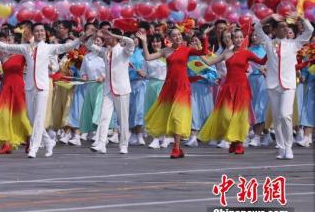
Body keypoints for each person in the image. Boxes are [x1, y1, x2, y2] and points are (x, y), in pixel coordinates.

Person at [0, 23, 84, 158]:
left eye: (42, 31)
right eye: (37, 31)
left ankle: (34, 148)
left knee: (39, 118)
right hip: (29, 87)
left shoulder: (49, 48)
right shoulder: (25, 48)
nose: (40, 33)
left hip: (42, 87)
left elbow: (67, 46)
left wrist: (82, 38)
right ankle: (48, 141)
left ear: (45, 33)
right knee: (32, 118)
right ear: (34, 33)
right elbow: (4, 46)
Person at [138, 26, 212, 158]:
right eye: (174, 35)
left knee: (178, 116)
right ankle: (172, 144)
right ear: (170, 38)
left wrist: (204, 36)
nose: (178, 37)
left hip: (183, 87)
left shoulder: (186, 49)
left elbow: (204, 52)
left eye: (179, 35)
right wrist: (144, 41)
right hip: (169, 86)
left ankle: (176, 148)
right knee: (167, 115)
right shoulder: (165, 51)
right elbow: (148, 57)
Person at [198, 29, 267, 154]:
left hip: (242, 88)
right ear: (232, 39)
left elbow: (262, 62)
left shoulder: (247, 53)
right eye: (236, 37)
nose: (239, 39)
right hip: (228, 88)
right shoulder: (226, 54)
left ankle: (238, 142)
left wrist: (272, 50)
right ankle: (233, 141)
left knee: (240, 117)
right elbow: (208, 62)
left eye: (241, 37)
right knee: (225, 116)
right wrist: (202, 45)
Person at [255, 14, 313, 160]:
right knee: (276, 118)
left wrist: (300, 17)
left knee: (285, 115)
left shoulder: (294, 43)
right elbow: (257, 27)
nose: (286, 29)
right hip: (273, 85)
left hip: (288, 85)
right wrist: (269, 17)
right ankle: (281, 148)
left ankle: (288, 147)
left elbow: (309, 30)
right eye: (282, 27)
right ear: (274, 30)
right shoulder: (268, 42)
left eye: (287, 27)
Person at [0, 36, 32, 154]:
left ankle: (29, 139)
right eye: (5, 42)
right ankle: (6, 143)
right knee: (4, 116)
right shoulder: (3, 56)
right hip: (6, 88)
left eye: (10, 41)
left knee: (22, 116)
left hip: (19, 87)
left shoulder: (22, 55)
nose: (7, 43)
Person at [86, 28, 135, 154]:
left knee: (122, 118)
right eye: (106, 37)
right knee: (104, 116)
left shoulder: (124, 51)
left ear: (115, 37)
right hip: (108, 89)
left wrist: (115, 35)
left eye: (109, 37)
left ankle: (123, 145)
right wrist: (95, 35)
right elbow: (89, 45)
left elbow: (130, 42)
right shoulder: (105, 51)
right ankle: (101, 143)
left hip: (122, 89)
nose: (106, 39)